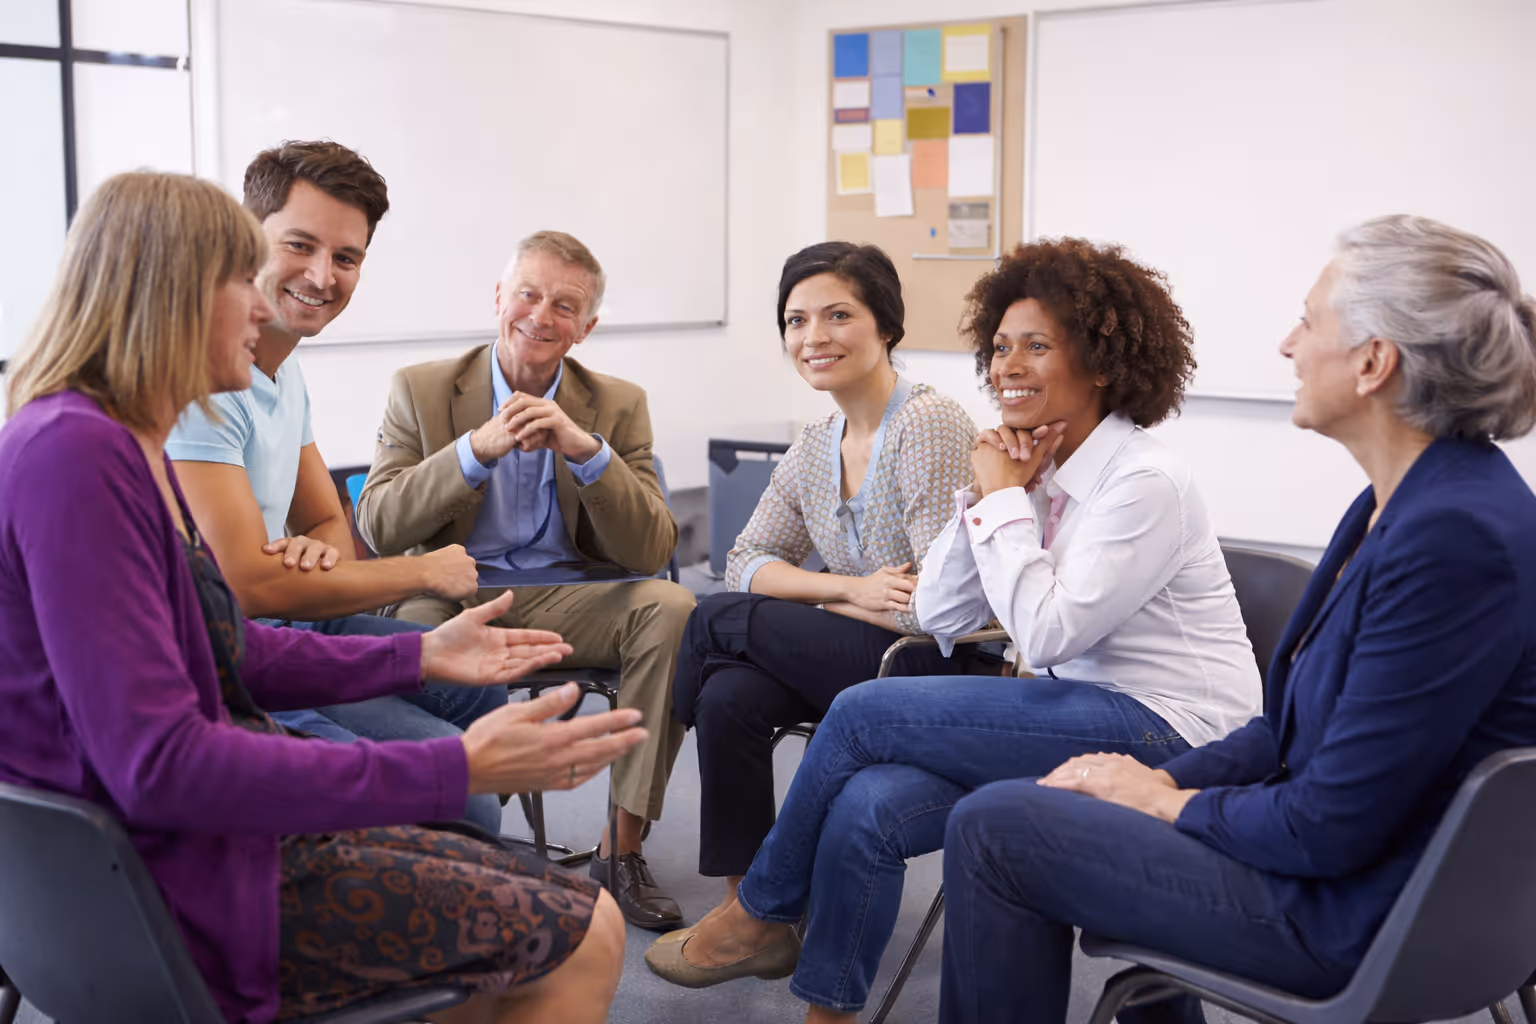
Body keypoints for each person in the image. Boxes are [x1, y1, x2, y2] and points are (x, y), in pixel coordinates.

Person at [0, 170, 644, 1024]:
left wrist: (416, 651)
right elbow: (162, 765)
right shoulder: (78, 457)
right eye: (245, 281)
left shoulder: (103, 442)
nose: (264, 310)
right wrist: (454, 764)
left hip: (173, 852)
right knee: (588, 928)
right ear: (174, 293)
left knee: (534, 924)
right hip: (174, 885)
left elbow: (225, 643)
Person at [937, 215, 1536, 1024]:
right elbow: (1287, 730)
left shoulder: (1454, 538)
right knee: (1055, 806)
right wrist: (1163, 780)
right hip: (1342, 865)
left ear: (1373, 362)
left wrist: (1165, 806)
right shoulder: (1404, 502)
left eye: (1308, 320)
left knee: (994, 825)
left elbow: (1330, 824)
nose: (1288, 345)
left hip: (1352, 911)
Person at [646, 237, 1262, 1023]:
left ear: (1102, 363)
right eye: (1000, 346)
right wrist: (991, 492)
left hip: (1171, 730)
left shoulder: (1145, 480)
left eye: (1037, 346)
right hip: (1066, 714)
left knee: (860, 712)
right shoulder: (1033, 469)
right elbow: (937, 613)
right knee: (867, 803)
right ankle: (825, 1013)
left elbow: (1043, 636)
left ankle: (759, 910)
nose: (1007, 365)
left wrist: (1005, 500)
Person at [356, 229, 695, 930]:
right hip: (451, 590)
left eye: (564, 305)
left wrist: (587, 451)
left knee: (673, 606)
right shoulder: (420, 390)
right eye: (528, 294)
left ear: (586, 328)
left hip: (574, 595)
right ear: (499, 298)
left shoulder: (618, 404)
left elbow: (652, 546)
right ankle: (452, 841)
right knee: (409, 639)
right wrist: (472, 452)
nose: (541, 316)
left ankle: (620, 850)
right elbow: (380, 527)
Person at [164, 140, 505, 833]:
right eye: (299, 245)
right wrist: (422, 572)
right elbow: (248, 587)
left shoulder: (283, 369)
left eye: (346, 258)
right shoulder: (206, 376)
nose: (323, 275)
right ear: (243, 238)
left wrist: (310, 556)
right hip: (239, 649)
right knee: (462, 791)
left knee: (481, 698)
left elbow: (329, 527)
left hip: (293, 619)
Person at [665, 241, 981, 935]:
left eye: (837, 315)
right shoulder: (815, 442)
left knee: (713, 621)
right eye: (795, 320)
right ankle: (749, 907)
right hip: (851, 644)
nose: (813, 337)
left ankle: (659, 738)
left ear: (886, 325)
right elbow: (744, 558)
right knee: (726, 695)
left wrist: (844, 595)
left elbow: (933, 603)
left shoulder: (927, 425)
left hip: (931, 664)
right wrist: (846, 591)